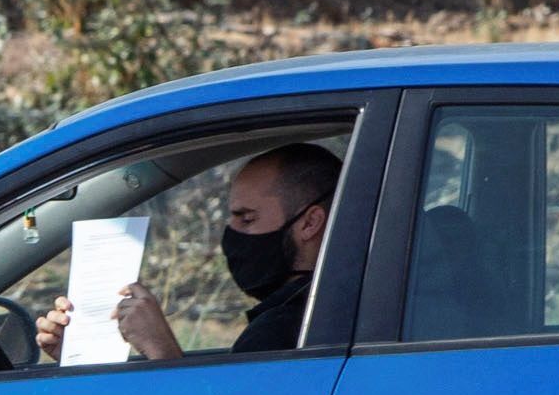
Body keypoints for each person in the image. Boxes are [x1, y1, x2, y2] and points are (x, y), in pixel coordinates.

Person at [34, 144, 338, 362]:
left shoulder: (291, 330)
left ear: (309, 223)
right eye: (231, 218)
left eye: (247, 219)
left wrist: (162, 351)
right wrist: (82, 354)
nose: (231, 235)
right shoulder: (325, 310)